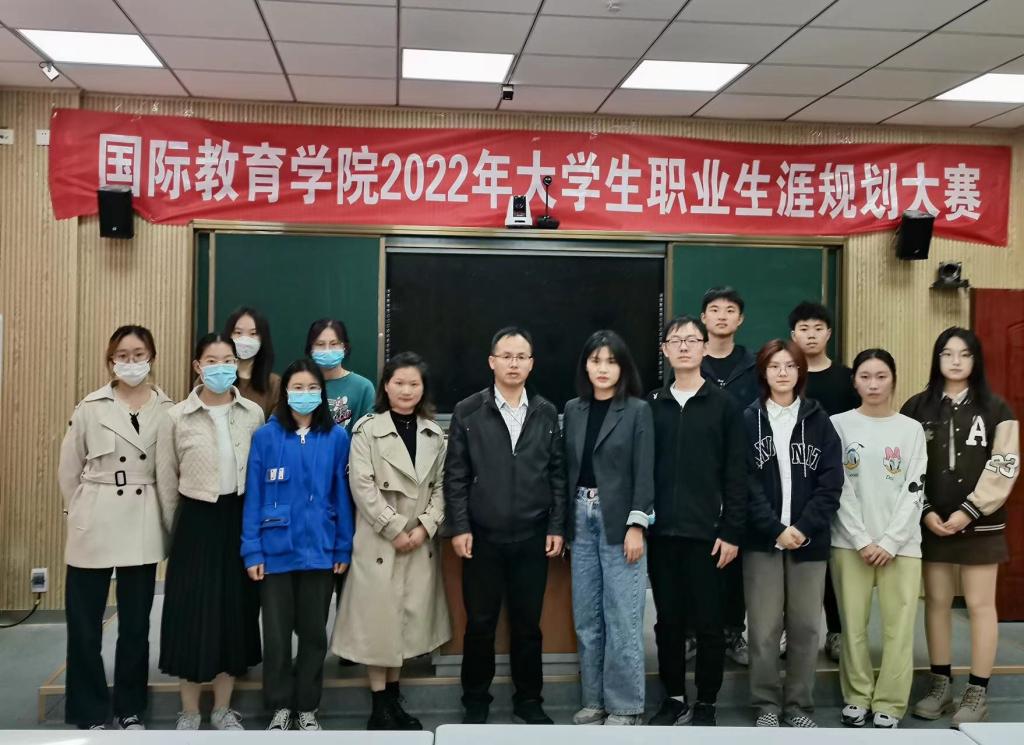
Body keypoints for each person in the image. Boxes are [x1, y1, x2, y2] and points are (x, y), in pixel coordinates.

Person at [444, 326, 567, 725]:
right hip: (482, 536)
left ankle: (529, 701)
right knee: (479, 624)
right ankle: (475, 701)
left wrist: (557, 526)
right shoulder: (467, 410)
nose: (514, 364)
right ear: (492, 361)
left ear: (531, 364)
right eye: (506, 356)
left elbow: (557, 474)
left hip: (533, 535)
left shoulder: (546, 412)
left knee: (528, 625)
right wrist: (459, 526)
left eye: (521, 357)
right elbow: (456, 475)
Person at [902, 328, 1020, 726]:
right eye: (947, 353)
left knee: (979, 605)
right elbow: (905, 466)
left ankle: (977, 692)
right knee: (936, 602)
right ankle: (940, 686)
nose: (955, 361)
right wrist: (925, 510)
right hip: (932, 522)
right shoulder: (916, 407)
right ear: (936, 359)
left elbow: (1005, 464)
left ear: (975, 360)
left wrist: (970, 510)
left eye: (964, 354)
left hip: (980, 525)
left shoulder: (997, 408)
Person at [58, 325, 173, 730]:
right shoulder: (90, 406)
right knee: (85, 624)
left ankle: (130, 708)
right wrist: (79, 512)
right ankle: (88, 710)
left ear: (151, 357)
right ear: (110, 361)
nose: (131, 362)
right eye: (122, 356)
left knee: (136, 626)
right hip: (95, 515)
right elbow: (69, 469)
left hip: (142, 521)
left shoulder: (167, 408)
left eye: (138, 354)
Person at [332, 352, 451, 730]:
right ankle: (379, 704)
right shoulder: (366, 430)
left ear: (423, 389)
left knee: (403, 623)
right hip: (379, 541)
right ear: (386, 385)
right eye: (399, 382)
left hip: (418, 540)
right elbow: (362, 486)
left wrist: (425, 526)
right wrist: (394, 527)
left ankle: (393, 698)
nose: (406, 390)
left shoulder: (434, 433)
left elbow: (443, 487)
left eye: (414, 384)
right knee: (377, 624)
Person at [156, 334, 265, 731]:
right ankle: (189, 711)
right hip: (195, 522)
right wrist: (176, 531)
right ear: (197, 366)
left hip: (239, 518)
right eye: (212, 360)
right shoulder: (176, 416)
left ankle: (222, 708)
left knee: (232, 613)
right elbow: (166, 481)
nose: (221, 367)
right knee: (191, 612)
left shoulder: (252, 413)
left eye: (228, 360)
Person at [241, 359, 355, 732]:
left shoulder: (336, 437)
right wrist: (252, 550)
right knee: (275, 637)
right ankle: (279, 706)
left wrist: (342, 548)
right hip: (274, 552)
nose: (305, 394)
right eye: (297, 388)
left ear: (322, 393)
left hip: (320, 551)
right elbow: (254, 497)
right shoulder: (265, 436)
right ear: (285, 392)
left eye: (312, 388)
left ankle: (306, 706)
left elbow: (342, 496)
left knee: (313, 635)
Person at [647, 315, 747, 727]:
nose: (684, 346)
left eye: (692, 340)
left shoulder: (725, 405)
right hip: (662, 534)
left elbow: (737, 474)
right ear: (665, 350)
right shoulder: (652, 405)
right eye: (676, 340)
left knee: (709, 625)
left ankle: (706, 702)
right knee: (668, 623)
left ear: (705, 348)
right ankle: (673, 697)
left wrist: (732, 530)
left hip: (710, 535)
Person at [743, 339, 844, 728]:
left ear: (801, 372)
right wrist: (775, 528)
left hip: (809, 540)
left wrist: (802, 528)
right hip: (762, 540)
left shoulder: (820, 421)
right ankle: (766, 705)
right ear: (763, 372)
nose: (782, 373)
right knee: (764, 629)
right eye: (774, 366)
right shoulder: (748, 420)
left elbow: (831, 484)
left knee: (805, 628)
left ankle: (799, 706)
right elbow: (743, 483)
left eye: (790, 366)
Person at [830, 349, 927, 729]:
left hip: (903, 545)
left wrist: (889, 541)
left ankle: (890, 701)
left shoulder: (911, 429)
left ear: (893, 380)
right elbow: (836, 487)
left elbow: (915, 487)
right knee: (852, 626)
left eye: (881, 376)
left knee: (898, 628)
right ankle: (856, 696)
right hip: (848, 543)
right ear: (854, 382)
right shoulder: (838, 425)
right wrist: (861, 539)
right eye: (865, 376)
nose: (873, 384)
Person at [564, 331, 654, 727]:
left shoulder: (637, 410)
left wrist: (637, 524)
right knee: (587, 618)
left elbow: (644, 471)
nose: (603, 369)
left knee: (622, 617)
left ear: (623, 368)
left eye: (611, 361)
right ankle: (594, 700)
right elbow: (566, 470)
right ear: (585, 365)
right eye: (596, 360)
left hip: (620, 521)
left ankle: (626, 706)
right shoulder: (574, 409)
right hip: (580, 517)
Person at [789, 301, 859, 663]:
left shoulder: (846, 379)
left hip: (839, 479)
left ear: (829, 333)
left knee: (836, 560)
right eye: (804, 329)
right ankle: (789, 632)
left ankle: (837, 630)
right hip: (794, 480)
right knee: (792, 556)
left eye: (818, 328)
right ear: (793, 334)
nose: (811, 335)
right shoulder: (786, 375)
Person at [700, 286, 756, 665]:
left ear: (740, 319)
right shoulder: (689, 360)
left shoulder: (754, 366)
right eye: (715, 309)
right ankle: (694, 632)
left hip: (743, 472)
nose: (722, 316)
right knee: (697, 556)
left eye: (730, 310)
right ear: (704, 317)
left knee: (735, 556)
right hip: (698, 473)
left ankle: (733, 632)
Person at [305, 318, 374, 433]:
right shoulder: (299, 386)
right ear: (311, 349)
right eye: (320, 344)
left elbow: (369, 433)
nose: (327, 350)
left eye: (334, 344)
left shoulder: (363, 387)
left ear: (344, 347)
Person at [223, 306, 280, 419]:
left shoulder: (274, 384)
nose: (245, 339)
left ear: (262, 339)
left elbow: (275, 426)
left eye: (253, 334)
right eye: (238, 332)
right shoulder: (212, 376)